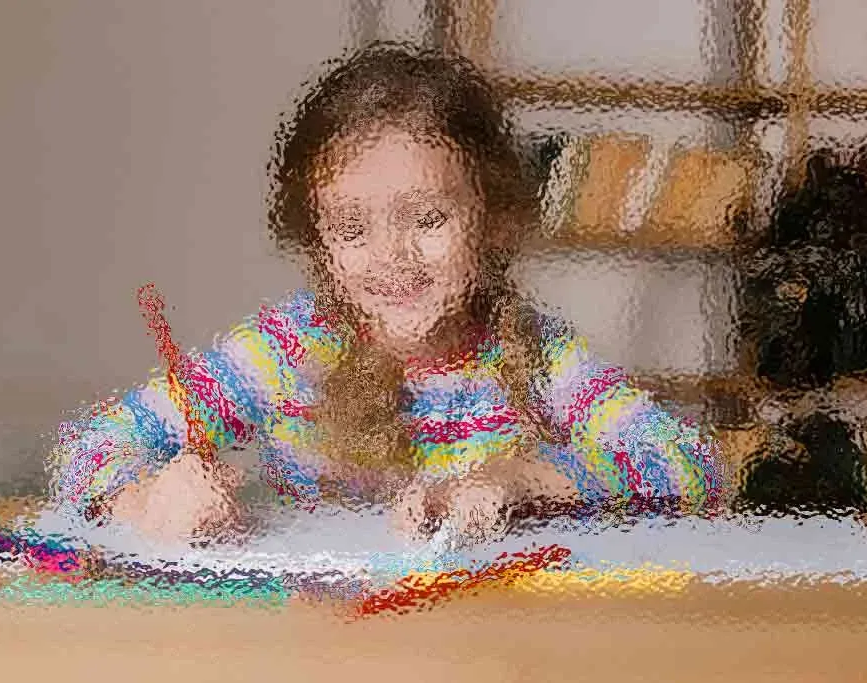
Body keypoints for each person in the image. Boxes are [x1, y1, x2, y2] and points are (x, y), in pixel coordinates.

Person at [46, 44, 724, 550]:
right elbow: (86, 449)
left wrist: (519, 480)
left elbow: (690, 465)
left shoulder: (538, 357)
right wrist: (145, 499)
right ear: (318, 241)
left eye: (427, 219)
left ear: (493, 220)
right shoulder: (284, 350)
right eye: (351, 229)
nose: (392, 258)